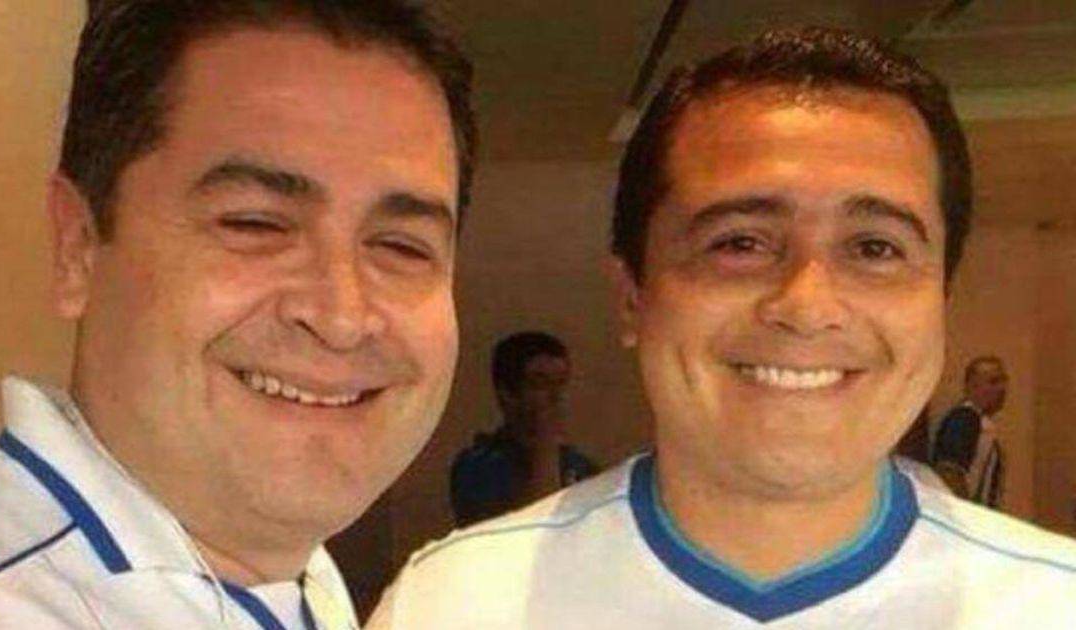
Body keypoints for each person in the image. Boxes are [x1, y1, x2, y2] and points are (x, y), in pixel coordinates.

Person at [369, 26, 1076, 629]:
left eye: (874, 248)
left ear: (941, 301)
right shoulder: (457, 602)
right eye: (740, 243)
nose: (807, 305)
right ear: (632, 296)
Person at [0, 1, 475, 628]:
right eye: (254, 224)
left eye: (401, 247)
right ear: (78, 245)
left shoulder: (295, 588)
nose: (341, 316)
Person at [449, 332, 599, 526]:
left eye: (561, 383)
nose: (556, 396)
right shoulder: (478, 466)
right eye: (541, 384)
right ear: (508, 394)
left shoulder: (580, 466)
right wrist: (546, 445)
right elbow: (535, 527)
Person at [933, 356, 1009, 506]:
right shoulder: (964, 419)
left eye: (1003, 382)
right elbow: (949, 471)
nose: (1001, 389)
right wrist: (966, 513)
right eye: (993, 382)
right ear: (972, 386)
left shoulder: (980, 422)